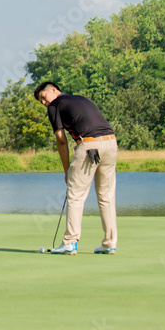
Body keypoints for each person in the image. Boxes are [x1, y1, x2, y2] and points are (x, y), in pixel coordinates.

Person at [34, 81, 117, 255]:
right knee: (106, 196)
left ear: (54, 90)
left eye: (43, 97)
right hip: (111, 143)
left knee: (75, 195)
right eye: (40, 101)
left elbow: (61, 139)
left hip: (89, 146)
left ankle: (70, 242)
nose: (44, 103)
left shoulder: (54, 106)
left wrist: (66, 170)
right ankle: (110, 244)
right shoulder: (81, 99)